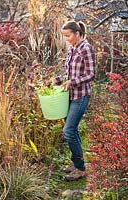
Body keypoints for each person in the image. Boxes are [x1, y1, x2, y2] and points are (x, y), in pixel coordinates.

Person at [54, 21, 95, 181]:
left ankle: (80, 169)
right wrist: (57, 80)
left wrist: (73, 82)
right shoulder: (72, 49)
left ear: (77, 34)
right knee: (73, 130)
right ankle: (77, 163)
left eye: (68, 35)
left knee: (68, 131)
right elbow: (68, 73)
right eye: (64, 36)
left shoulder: (86, 48)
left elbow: (91, 74)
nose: (66, 39)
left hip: (81, 95)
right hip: (69, 96)